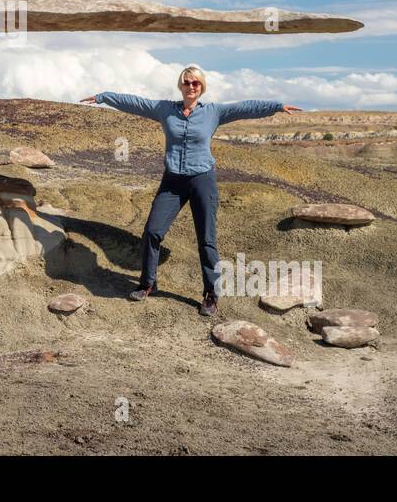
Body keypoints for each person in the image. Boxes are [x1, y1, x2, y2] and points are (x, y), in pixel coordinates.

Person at [81, 65, 301, 316]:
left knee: (206, 240)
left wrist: (276, 106)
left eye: (196, 83)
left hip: (202, 180)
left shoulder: (213, 112)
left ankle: (210, 295)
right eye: (187, 82)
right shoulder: (165, 110)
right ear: (180, 85)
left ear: (202, 86)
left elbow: (244, 108)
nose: (191, 86)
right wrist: (103, 97)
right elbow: (135, 103)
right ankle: (147, 283)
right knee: (152, 231)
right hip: (172, 182)